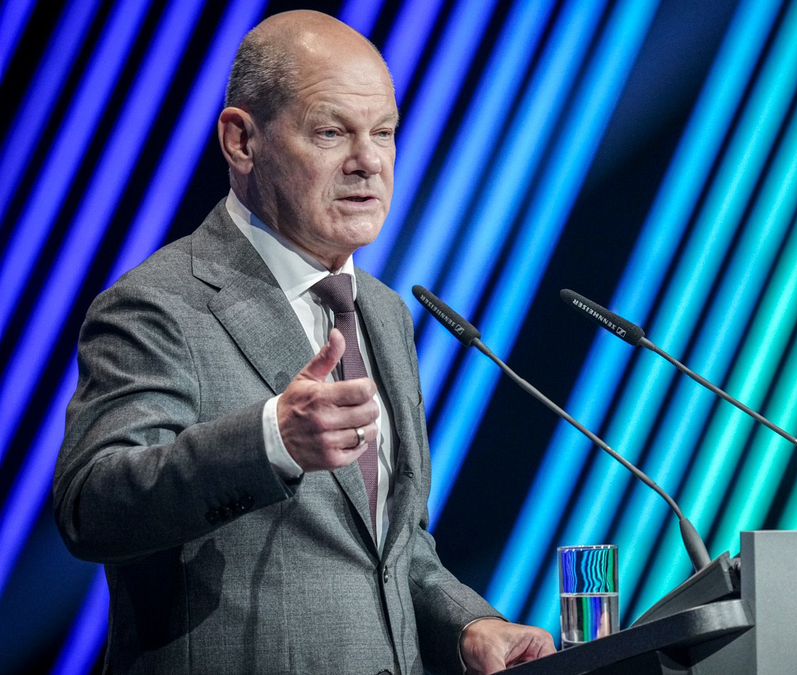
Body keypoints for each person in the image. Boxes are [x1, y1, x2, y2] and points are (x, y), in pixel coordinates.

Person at [53, 10, 554, 674]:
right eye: (330, 132)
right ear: (241, 141)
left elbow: (387, 548)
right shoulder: (159, 304)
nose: (369, 162)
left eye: (384, 132)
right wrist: (270, 440)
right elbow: (91, 505)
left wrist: (469, 626)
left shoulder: (383, 312)